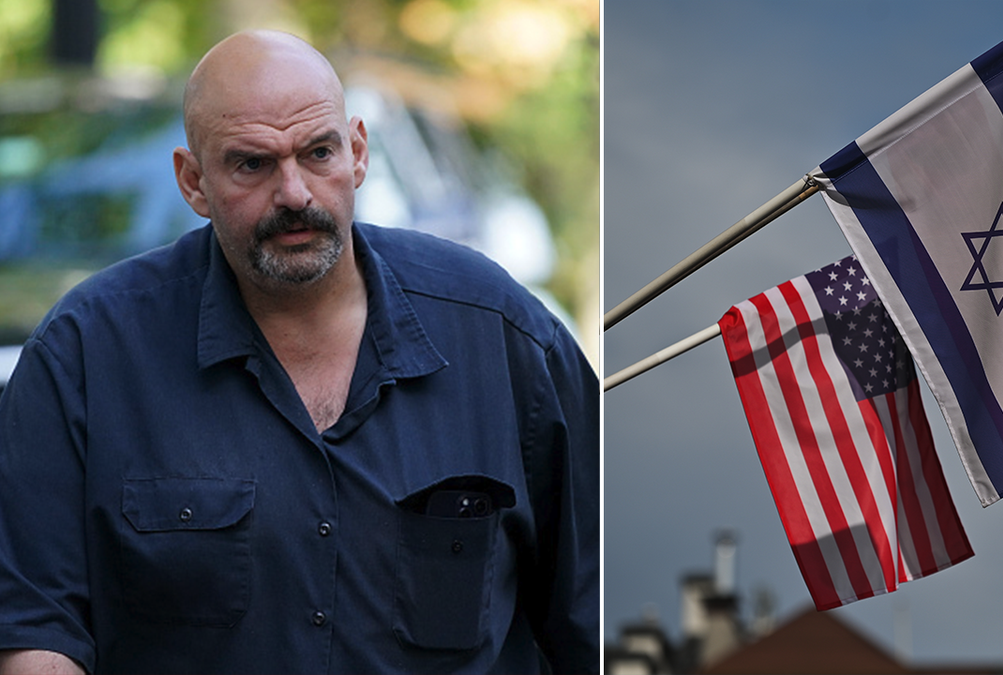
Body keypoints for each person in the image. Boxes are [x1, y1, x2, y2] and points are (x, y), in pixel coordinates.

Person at [0, 30, 598, 674]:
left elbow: (599, 609)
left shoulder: (502, 337)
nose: (294, 194)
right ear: (192, 181)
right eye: (252, 164)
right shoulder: (85, 355)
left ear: (358, 153)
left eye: (318, 153)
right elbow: (38, 627)